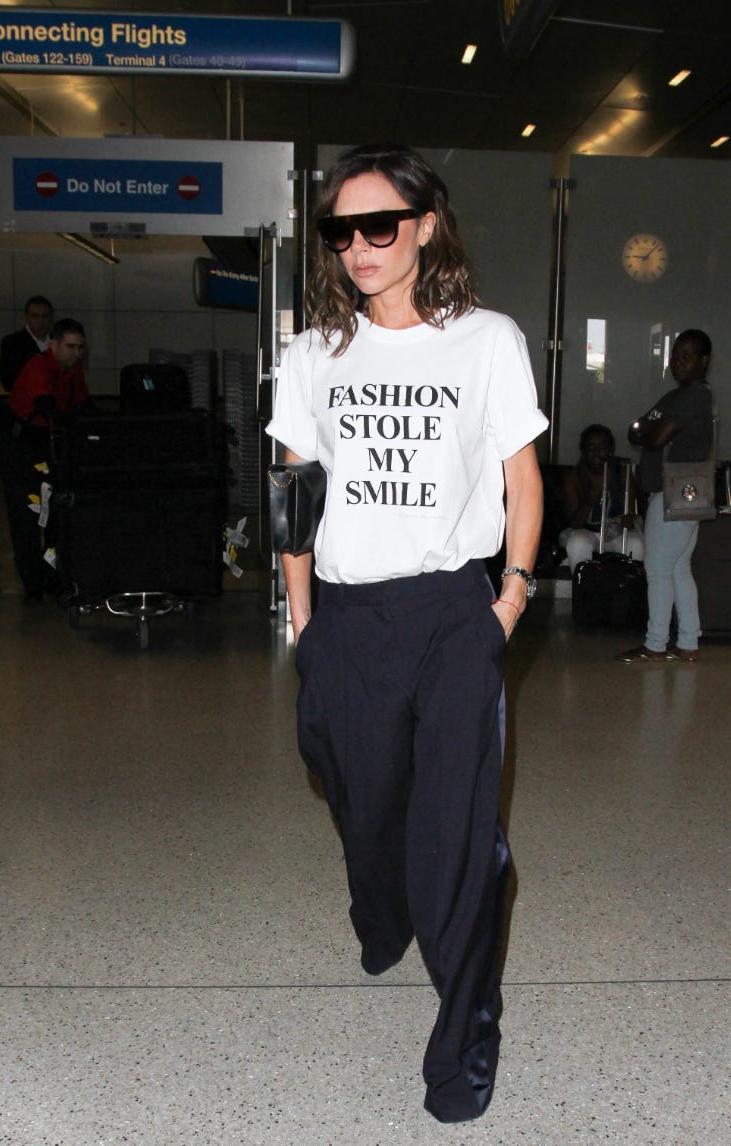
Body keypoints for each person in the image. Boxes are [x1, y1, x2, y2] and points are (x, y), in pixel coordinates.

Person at [266, 143, 547, 1123]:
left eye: (378, 225)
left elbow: (520, 479)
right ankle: (381, 915)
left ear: (426, 226)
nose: (359, 246)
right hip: (346, 620)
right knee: (364, 802)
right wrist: (305, 620)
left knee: (458, 839)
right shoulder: (314, 354)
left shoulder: (486, 340)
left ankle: (463, 1050)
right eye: (340, 230)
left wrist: (508, 601)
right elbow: (294, 494)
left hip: (450, 613)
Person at [617, 329, 715, 662]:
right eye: (675, 355)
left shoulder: (693, 396)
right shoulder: (682, 396)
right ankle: (687, 642)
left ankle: (655, 644)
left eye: (688, 356)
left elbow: (654, 436)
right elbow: (638, 429)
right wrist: (647, 429)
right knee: (678, 568)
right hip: (685, 493)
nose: (678, 362)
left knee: (658, 568)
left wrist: (648, 430)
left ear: (704, 360)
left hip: (673, 491)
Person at [3, 318, 90, 603]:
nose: (77, 353)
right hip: (24, 449)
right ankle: (32, 584)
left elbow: (82, 404)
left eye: (80, 348)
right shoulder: (39, 366)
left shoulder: (73, 370)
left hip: (48, 448)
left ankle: (51, 576)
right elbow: (45, 406)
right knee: (27, 518)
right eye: (71, 347)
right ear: (54, 344)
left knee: (56, 517)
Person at [559, 423, 644, 572]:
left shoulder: (622, 473)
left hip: (617, 532)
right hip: (586, 531)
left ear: (611, 449)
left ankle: (626, 585)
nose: (596, 453)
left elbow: (631, 513)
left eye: (602, 447)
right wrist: (590, 499)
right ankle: (583, 584)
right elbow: (575, 522)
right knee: (578, 543)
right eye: (590, 448)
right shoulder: (574, 477)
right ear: (583, 451)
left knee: (636, 544)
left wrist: (627, 517)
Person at [0, 295, 54, 392]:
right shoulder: (11, 343)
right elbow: (9, 383)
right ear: (27, 317)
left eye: (45, 316)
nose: (40, 321)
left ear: (51, 318)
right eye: (34, 316)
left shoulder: (58, 341)